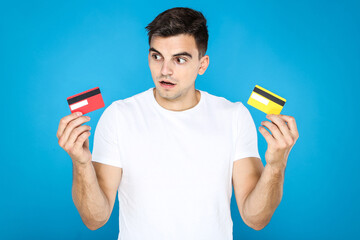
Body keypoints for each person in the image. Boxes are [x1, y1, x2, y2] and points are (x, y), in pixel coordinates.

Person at [56, 7, 299, 240]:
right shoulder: (119, 115)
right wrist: (81, 164)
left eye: (179, 60)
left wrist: (276, 165)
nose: (165, 70)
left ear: (202, 65)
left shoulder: (234, 116)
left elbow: (255, 219)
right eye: (156, 56)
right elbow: (94, 219)